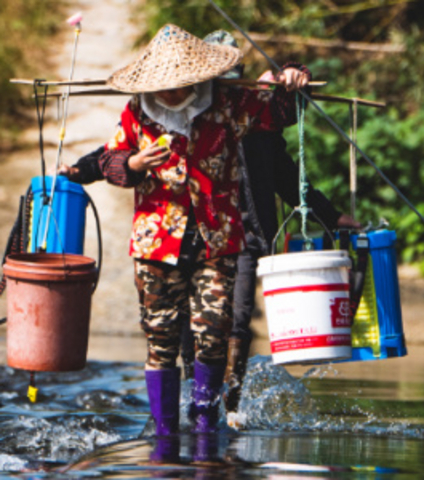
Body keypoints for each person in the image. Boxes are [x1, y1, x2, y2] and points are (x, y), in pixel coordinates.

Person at [91, 23, 310, 453]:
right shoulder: (139, 111)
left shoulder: (228, 103)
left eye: (180, 85)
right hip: (157, 241)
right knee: (161, 337)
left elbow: (279, 112)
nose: (172, 92)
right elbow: (109, 159)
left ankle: (208, 424)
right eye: (166, 86)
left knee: (213, 331)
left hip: (217, 238)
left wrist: (292, 77)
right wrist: (134, 163)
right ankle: (166, 433)